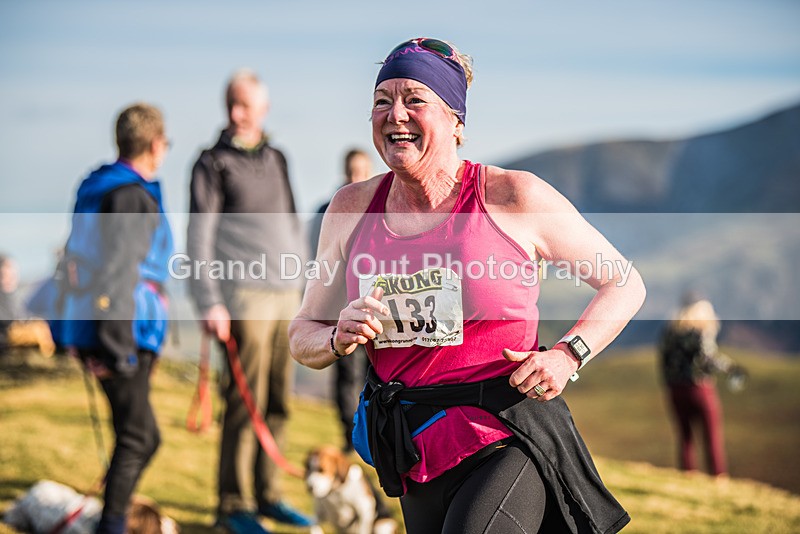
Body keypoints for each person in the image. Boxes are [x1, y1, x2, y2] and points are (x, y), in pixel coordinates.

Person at [289, 38, 646, 533]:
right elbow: (302, 331)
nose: (395, 115)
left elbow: (624, 283)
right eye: (381, 101)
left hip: (502, 433)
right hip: (412, 446)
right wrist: (334, 336)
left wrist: (568, 354)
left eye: (415, 99)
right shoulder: (350, 208)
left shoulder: (512, 196)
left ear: (457, 120)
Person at [187, 69, 312, 533]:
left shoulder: (278, 157)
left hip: (287, 294)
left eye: (245, 105)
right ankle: (233, 505)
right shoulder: (211, 163)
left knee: (279, 399)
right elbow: (199, 235)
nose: (237, 114)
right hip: (243, 295)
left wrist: (306, 285)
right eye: (231, 105)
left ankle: (268, 495)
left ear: (263, 109)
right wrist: (209, 302)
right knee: (245, 400)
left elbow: (293, 222)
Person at [56, 103, 174, 534]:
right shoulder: (130, 195)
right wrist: (118, 351)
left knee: (137, 435)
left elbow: (77, 261)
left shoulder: (99, 187)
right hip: (122, 332)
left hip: (95, 326)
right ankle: (112, 524)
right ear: (156, 144)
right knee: (138, 437)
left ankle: (115, 516)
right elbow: (117, 275)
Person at [308, 148, 374, 452]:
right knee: (346, 371)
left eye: (361, 171)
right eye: (351, 171)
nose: (355, 178)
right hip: (340, 304)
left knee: (372, 371)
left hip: (376, 302)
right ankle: (350, 434)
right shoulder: (327, 211)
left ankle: (374, 430)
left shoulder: (383, 208)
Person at [659, 294, 740, 477]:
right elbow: (708, 358)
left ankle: (688, 475)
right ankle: (718, 476)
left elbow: (663, 360)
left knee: (685, 436)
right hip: (699, 388)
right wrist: (730, 368)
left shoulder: (670, 331)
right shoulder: (700, 331)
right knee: (711, 435)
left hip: (674, 389)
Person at [0, 254, 56, 357]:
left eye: (13, 274)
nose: (11, 278)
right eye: (5, 275)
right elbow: (8, 325)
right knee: (39, 328)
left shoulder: (12, 296)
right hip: (6, 340)